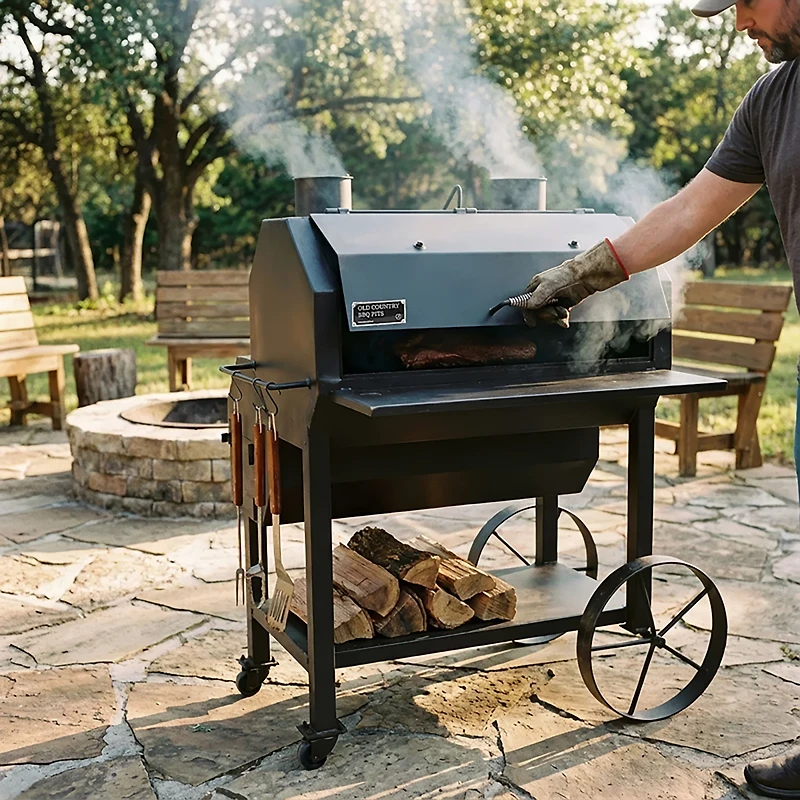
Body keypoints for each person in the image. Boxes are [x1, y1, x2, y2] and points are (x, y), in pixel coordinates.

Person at [515, 0, 800, 796]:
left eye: (745, 1)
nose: (738, 22)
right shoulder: (772, 100)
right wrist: (585, 271)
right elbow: (687, 211)